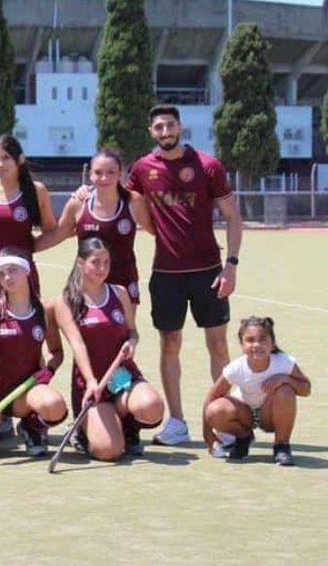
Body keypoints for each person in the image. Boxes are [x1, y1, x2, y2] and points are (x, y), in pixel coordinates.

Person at [123, 105, 243, 449]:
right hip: (166, 273)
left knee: (217, 345)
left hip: (209, 271)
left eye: (170, 125)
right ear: (151, 131)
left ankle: (224, 420)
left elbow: (234, 218)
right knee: (169, 344)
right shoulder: (143, 169)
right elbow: (131, 203)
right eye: (158, 126)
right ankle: (177, 423)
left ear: (179, 126)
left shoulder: (208, 165)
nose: (165, 131)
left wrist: (231, 265)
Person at [53, 238, 165, 460]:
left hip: (121, 376)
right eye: (95, 262)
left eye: (106, 262)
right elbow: (78, 344)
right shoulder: (66, 301)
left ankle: (128, 429)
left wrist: (132, 342)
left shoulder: (119, 293)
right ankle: (84, 433)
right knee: (108, 451)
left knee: (152, 407)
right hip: (90, 383)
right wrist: (91, 381)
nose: (102, 269)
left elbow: (132, 331)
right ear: (80, 263)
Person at [0, 248, 66, 459]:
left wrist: (48, 371)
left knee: (54, 406)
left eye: (13, 270)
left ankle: (30, 426)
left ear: (26, 271)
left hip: (25, 392)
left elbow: (57, 352)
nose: (7, 277)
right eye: (1, 273)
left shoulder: (42, 310)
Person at [36, 148, 153, 303]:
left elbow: (156, 229)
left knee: (125, 327)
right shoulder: (78, 203)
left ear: (120, 173)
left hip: (123, 280)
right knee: (82, 326)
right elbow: (56, 235)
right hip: (85, 281)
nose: (104, 178)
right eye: (98, 172)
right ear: (90, 174)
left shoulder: (133, 201)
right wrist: (25, 247)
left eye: (111, 172)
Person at [202, 316, 310, 466]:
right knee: (215, 410)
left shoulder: (284, 362)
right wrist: (207, 435)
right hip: (245, 415)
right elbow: (211, 398)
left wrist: (284, 379)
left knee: (285, 390)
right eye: (250, 340)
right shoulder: (236, 368)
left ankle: (282, 446)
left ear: (272, 344)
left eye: (263, 339)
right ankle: (244, 437)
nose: (257, 345)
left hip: (270, 417)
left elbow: (306, 389)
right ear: (242, 344)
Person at [0, 134, 56, 302]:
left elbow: (50, 231)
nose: (0, 164)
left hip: (22, 272)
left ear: (20, 159)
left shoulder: (36, 191)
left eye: (6, 158)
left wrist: (27, 249)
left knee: (25, 327)